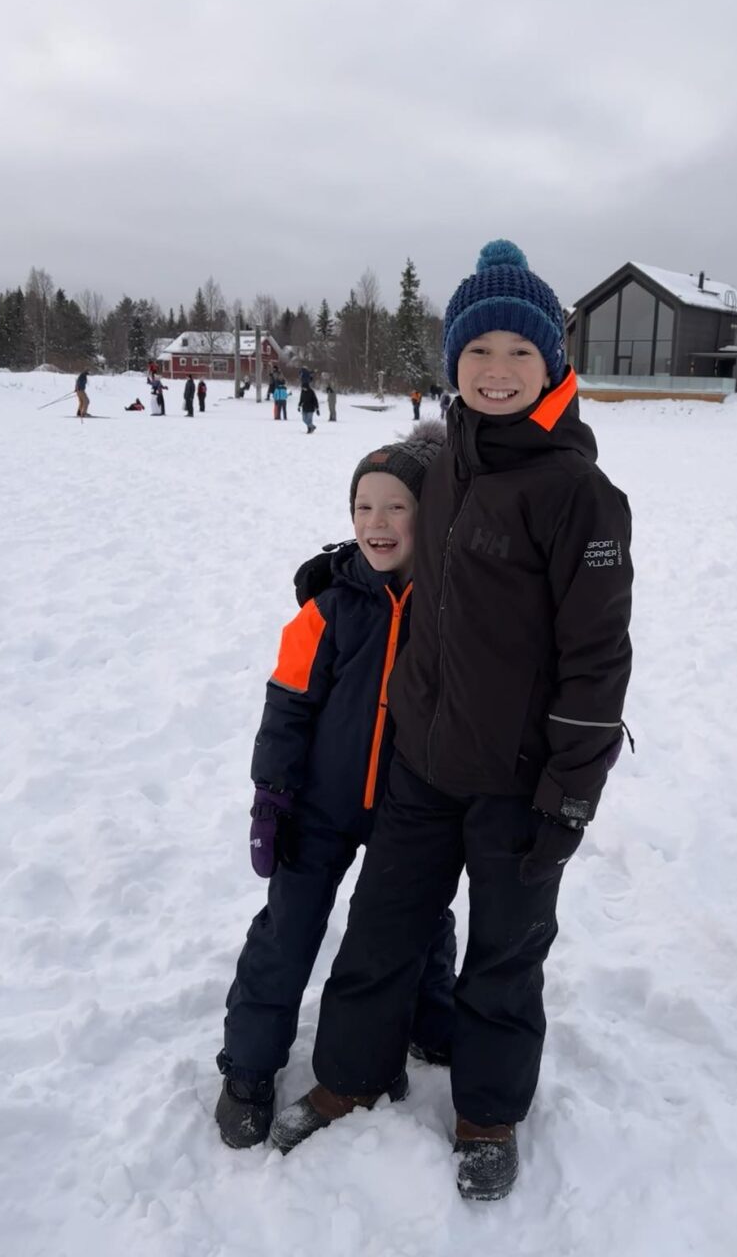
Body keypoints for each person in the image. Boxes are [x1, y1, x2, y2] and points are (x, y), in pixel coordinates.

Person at [270, 240, 633, 1201]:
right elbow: (400, 568)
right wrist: (341, 569)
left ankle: (487, 1114)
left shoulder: (579, 494)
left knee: (504, 958)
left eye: (520, 351)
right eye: (479, 353)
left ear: (554, 363)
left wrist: (571, 795)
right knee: (383, 929)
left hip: (521, 785)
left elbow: (598, 662)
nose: (499, 371)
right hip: (423, 765)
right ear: (453, 366)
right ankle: (347, 1079)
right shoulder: (445, 466)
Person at [214, 422, 456, 1150]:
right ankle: (248, 1069)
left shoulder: (450, 606)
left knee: (419, 923)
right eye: (363, 508)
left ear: (431, 514)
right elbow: (286, 705)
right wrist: (272, 795)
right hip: (318, 807)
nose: (377, 525)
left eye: (396, 508)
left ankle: (430, 1020)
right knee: (287, 933)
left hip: (405, 809)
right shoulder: (328, 607)